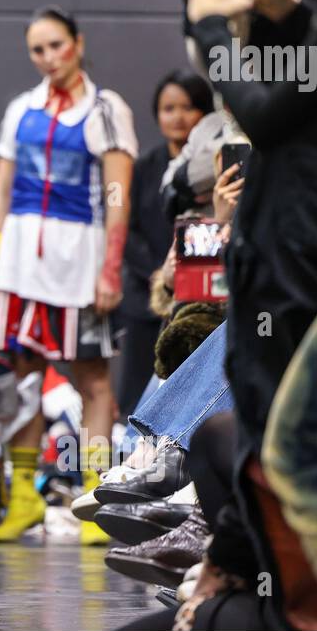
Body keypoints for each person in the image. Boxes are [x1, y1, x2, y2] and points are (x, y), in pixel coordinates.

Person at [0, 6, 138, 544]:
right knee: (21, 377)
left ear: (78, 43)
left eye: (56, 46)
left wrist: (110, 269)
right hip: (21, 263)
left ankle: (94, 499)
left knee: (92, 380)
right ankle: (22, 499)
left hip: (79, 262)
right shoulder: (22, 108)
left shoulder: (106, 109)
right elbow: (0, 190)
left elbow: (118, 196)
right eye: (37, 50)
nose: (48, 58)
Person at [118, 70, 212, 417]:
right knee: (135, 392)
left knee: (185, 386)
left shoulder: (214, 166)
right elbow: (126, 229)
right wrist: (161, 273)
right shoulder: (144, 167)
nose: (177, 117)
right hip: (146, 296)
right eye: (168, 108)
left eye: (187, 107)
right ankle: (129, 461)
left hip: (197, 296)